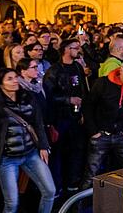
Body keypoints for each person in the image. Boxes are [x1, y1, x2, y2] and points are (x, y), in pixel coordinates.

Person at [0, 68, 55, 213]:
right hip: (8, 159)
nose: (15, 80)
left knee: (50, 191)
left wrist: (43, 145)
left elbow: (38, 124)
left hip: (31, 154)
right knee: (12, 203)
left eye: (15, 77)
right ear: (0, 84)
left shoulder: (27, 97)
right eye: (9, 78)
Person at [81, 59, 123, 189]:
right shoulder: (103, 83)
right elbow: (88, 105)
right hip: (101, 134)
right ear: (121, 71)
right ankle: (79, 206)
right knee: (91, 173)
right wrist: (93, 131)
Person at [43, 38, 88, 194]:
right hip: (60, 118)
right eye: (75, 47)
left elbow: (83, 90)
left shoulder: (77, 67)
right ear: (67, 49)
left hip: (76, 116)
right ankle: (57, 186)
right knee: (58, 153)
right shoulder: (54, 70)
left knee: (76, 150)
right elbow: (48, 96)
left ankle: (73, 183)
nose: (78, 50)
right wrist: (67, 100)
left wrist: (82, 112)